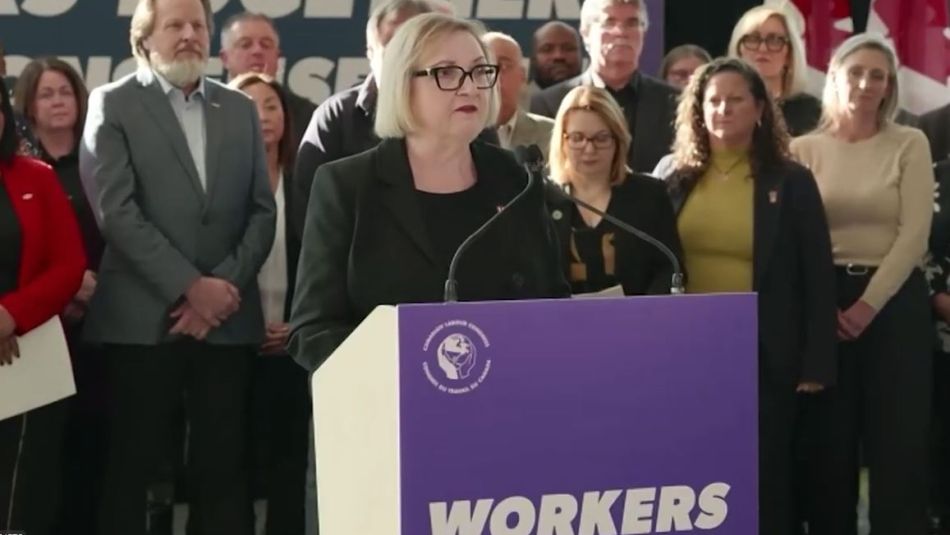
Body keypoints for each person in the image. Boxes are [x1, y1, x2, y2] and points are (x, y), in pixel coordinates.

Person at [79, 0, 277, 533]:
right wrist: (191, 288)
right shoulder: (113, 104)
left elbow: (262, 210)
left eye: (198, 25)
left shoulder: (237, 108)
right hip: (142, 324)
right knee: (131, 472)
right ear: (144, 39)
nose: (189, 35)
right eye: (175, 26)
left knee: (222, 473)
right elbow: (116, 214)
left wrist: (221, 290)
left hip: (226, 323)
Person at [654, 57, 837, 535]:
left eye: (736, 99)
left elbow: (817, 276)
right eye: (713, 100)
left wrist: (816, 364)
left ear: (760, 108)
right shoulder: (672, 175)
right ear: (697, 110)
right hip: (686, 354)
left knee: (764, 476)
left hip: (763, 354)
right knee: (692, 471)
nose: (723, 109)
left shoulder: (791, 181)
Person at [791, 34, 935, 535]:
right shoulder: (802, 150)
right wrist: (828, 306)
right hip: (824, 306)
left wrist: (868, 306)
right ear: (833, 78)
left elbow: (914, 235)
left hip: (894, 306)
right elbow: (796, 240)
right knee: (830, 452)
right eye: (857, 72)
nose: (867, 83)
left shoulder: (910, 142)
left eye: (879, 75)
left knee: (898, 449)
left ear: (890, 85)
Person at [11, 56, 106, 535]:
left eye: (64, 92)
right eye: (46, 94)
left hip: (96, 324)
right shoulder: (25, 171)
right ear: (27, 105)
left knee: (86, 446)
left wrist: (90, 286)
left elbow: (108, 239)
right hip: (34, 332)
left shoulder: (96, 163)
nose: (56, 101)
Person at [0, 76, 86, 535]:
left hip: (30, 363)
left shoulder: (37, 176)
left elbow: (69, 263)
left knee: (24, 496)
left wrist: (11, 316)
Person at [292, 0, 450, 236]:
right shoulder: (334, 118)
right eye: (391, 45)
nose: (402, 57)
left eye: (410, 45)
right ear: (370, 53)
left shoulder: (458, 111)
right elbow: (309, 213)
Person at [228, 71, 308, 535]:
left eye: (272, 104)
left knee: (289, 463)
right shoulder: (222, 188)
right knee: (231, 461)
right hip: (236, 342)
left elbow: (323, 267)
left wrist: (296, 326)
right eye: (250, 104)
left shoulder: (306, 183)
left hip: (294, 344)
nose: (263, 115)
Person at [546, 85, 681, 295]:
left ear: (618, 141)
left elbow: (670, 269)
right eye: (577, 138)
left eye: (601, 138)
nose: (589, 149)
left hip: (636, 322)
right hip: (560, 323)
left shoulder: (649, 195)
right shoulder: (542, 200)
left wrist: (644, 314)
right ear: (561, 142)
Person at [530, 0, 678, 174]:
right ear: (585, 33)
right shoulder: (549, 103)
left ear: (643, 33)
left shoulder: (674, 102)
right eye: (609, 22)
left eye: (632, 23)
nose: (621, 32)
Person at [219, 12, 315, 145]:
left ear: (277, 56)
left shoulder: (306, 115)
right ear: (225, 58)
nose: (257, 51)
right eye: (245, 44)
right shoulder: (207, 110)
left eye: (266, 45)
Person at [727, 5, 821, 136]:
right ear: (739, 50)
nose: (763, 48)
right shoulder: (722, 107)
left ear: (790, 55)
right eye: (753, 39)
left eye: (775, 40)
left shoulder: (812, 112)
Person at [483, 32, 555, 156]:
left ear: (523, 75)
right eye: (484, 68)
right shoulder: (451, 134)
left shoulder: (552, 134)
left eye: (504, 66)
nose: (493, 76)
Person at [529, 21, 582, 92]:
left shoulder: (598, 98)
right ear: (534, 58)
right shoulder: (515, 101)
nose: (558, 56)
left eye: (568, 48)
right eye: (547, 49)